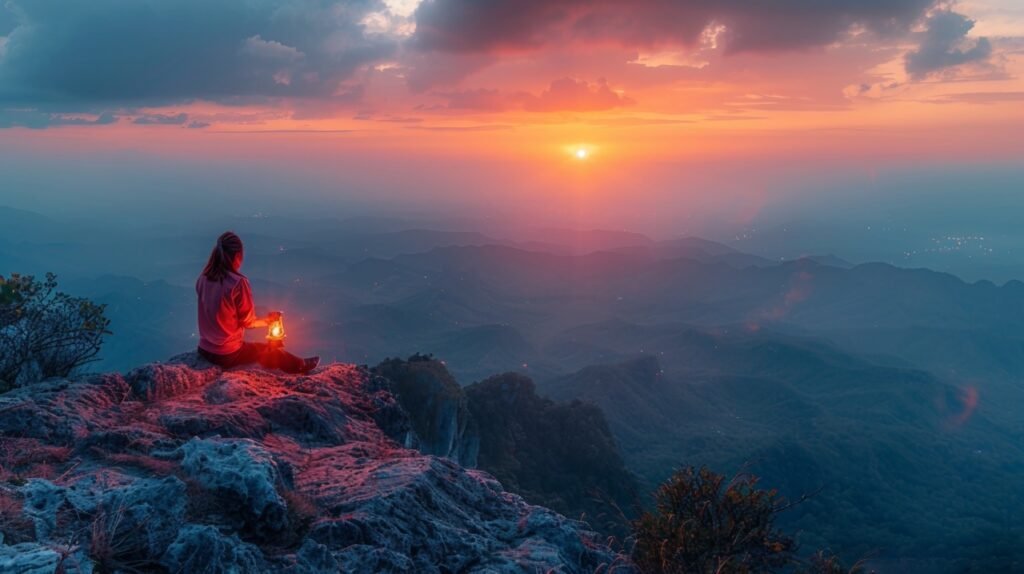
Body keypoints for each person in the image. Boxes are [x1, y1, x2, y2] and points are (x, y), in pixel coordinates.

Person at [196, 231, 319, 374]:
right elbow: (248, 322)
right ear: (237, 256)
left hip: (204, 349)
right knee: (267, 350)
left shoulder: (203, 278)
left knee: (255, 349)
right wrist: (268, 321)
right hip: (226, 354)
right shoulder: (237, 283)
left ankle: (297, 363)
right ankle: (300, 365)